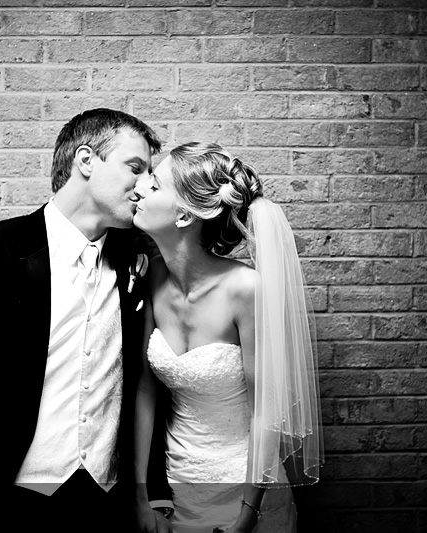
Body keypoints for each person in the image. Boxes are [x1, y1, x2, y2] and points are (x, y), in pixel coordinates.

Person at [0, 108, 173, 533]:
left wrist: (152, 493)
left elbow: (151, 388)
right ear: (86, 160)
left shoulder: (142, 258)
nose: (146, 183)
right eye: (135, 167)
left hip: (105, 509)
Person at [132, 142, 323, 532]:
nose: (138, 191)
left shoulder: (245, 289)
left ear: (184, 215)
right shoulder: (152, 276)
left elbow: (265, 410)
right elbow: (144, 390)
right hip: (178, 482)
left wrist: (247, 513)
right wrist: (141, 495)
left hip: (246, 487)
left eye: (154, 186)